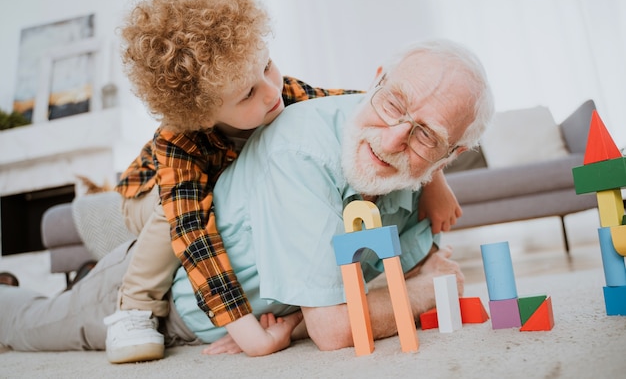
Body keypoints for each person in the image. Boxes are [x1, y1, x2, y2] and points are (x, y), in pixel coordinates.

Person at [0, 38, 494, 355]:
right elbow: (339, 327)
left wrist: (434, 179)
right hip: (167, 274)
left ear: (452, 151)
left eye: (426, 136)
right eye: (393, 105)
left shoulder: (350, 116)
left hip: (212, 271)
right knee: (25, 327)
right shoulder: (217, 144)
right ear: (378, 82)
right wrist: (258, 334)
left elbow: (414, 263)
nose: (391, 142)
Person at [106, 0, 461, 363]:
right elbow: (194, 235)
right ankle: (135, 307)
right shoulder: (180, 141)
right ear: (204, 114)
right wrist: (247, 333)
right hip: (147, 195)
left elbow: (372, 113)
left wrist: (435, 182)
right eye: (248, 94)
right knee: (169, 213)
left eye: (268, 66)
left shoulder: (282, 92)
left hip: (228, 190)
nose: (272, 90)